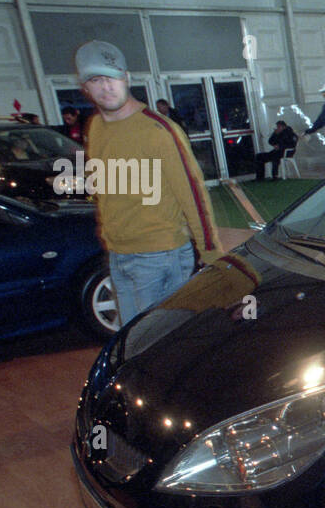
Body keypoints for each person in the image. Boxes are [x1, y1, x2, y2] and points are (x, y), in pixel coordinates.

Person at [75, 40, 222, 326]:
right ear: (85, 88)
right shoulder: (96, 127)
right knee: (133, 340)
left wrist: (211, 254)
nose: (106, 87)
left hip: (160, 256)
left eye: (112, 77)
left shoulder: (159, 130)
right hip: (118, 254)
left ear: (126, 78)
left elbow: (193, 194)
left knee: (162, 343)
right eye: (96, 80)